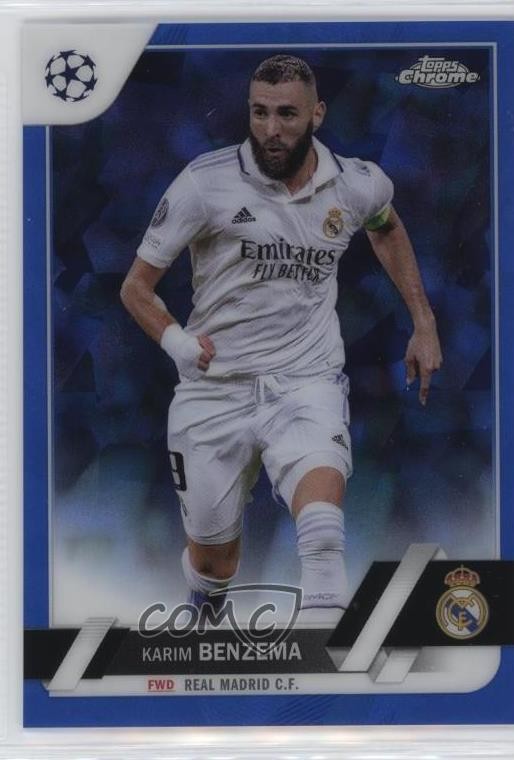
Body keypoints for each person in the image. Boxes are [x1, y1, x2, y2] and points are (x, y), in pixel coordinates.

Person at [120, 55, 442, 623]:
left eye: (287, 114)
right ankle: (204, 615)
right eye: (259, 112)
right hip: (214, 390)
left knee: (322, 533)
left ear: (317, 114)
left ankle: (323, 654)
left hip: (305, 381)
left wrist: (423, 320)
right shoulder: (204, 183)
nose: (270, 128)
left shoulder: (356, 183)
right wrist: (178, 344)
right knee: (215, 563)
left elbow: (386, 226)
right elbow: (135, 288)